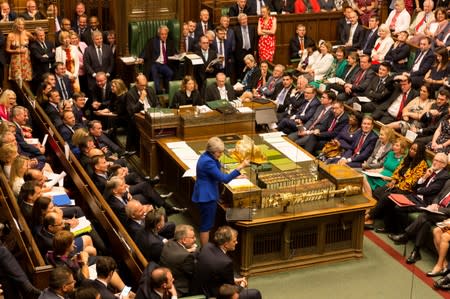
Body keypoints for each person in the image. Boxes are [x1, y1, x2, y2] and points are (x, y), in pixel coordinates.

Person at [192, 137, 249, 246]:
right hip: (206, 196)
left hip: (207, 192)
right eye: (219, 152)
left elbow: (217, 175)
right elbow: (224, 179)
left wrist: (235, 177)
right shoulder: (208, 162)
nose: (221, 154)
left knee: (207, 224)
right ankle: (205, 252)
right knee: (206, 226)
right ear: (212, 151)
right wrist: (241, 166)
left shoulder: (207, 156)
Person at [365, 142, 428, 232]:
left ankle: (369, 217)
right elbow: (398, 171)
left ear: (420, 152)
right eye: (411, 148)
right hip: (398, 185)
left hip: (408, 191)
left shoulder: (422, 165)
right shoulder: (407, 159)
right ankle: (379, 219)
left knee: (387, 196)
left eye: (415, 150)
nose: (411, 151)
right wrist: (394, 180)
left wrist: (396, 185)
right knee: (378, 191)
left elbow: (411, 182)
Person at [194, 226, 262, 299]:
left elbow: (214, 272)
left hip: (200, 287)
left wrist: (234, 280)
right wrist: (241, 286)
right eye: (234, 241)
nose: (236, 242)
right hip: (212, 293)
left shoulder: (207, 246)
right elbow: (230, 289)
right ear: (226, 244)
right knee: (255, 293)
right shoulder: (226, 262)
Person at [160, 224, 198, 297]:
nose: (195, 239)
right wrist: (193, 252)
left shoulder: (170, 242)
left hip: (164, 276)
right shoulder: (186, 257)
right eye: (192, 237)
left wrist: (187, 250)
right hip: (178, 287)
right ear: (184, 240)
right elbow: (193, 272)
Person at [6, 18, 33, 85]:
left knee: (26, 79)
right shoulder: (11, 35)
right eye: (19, 24)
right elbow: (7, 49)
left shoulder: (27, 33)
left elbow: (35, 40)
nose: (21, 26)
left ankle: (27, 94)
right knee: (17, 79)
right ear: (16, 25)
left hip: (26, 59)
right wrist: (16, 51)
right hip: (16, 59)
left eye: (23, 24)